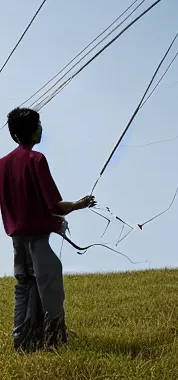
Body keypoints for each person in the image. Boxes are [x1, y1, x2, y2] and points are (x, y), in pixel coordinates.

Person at [0, 107, 96, 352]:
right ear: (32, 132)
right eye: (39, 124)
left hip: (17, 241)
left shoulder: (2, 165)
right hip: (37, 241)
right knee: (50, 290)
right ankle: (54, 340)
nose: (41, 128)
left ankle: (22, 341)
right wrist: (80, 204)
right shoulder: (36, 160)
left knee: (23, 288)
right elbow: (54, 205)